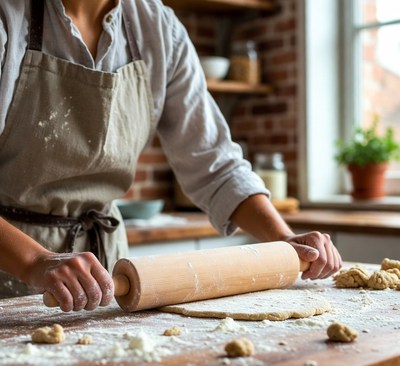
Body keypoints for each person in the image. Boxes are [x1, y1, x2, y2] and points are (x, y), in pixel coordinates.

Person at [0, 0, 342, 312]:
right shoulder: (9, 16)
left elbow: (216, 165)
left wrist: (282, 240)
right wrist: (35, 261)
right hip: (11, 265)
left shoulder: (157, 28)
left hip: (103, 276)